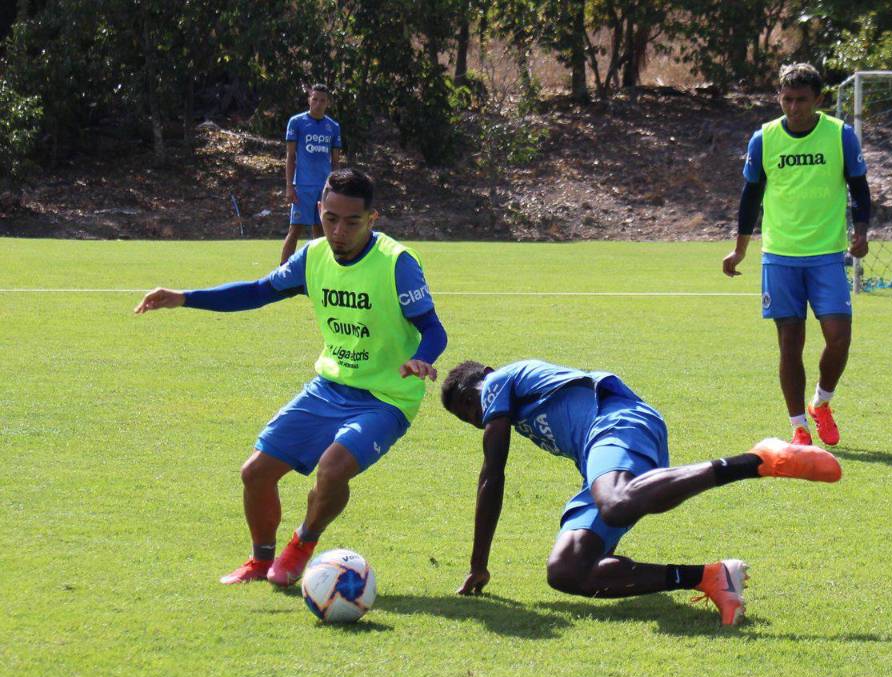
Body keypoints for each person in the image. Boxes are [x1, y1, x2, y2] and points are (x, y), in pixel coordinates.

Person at [135, 169, 447, 586]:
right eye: (330, 218)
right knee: (255, 473)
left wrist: (422, 359)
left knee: (333, 468)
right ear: (319, 210)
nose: (338, 230)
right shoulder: (313, 256)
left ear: (372, 219)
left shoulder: (396, 263)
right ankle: (260, 561)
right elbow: (257, 291)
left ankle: (302, 543)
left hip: (386, 397)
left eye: (352, 222)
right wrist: (186, 298)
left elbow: (433, 328)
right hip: (328, 388)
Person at [441, 359, 842, 626]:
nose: (476, 418)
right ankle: (710, 577)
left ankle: (757, 460)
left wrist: (478, 562)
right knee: (566, 570)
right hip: (598, 461)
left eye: (468, 404)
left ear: (484, 378)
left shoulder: (498, 382)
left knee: (616, 503)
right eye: (466, 419)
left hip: (615, 422)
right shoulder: (511, 400)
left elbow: (492, 474)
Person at [722, 62, 871, 449]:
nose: (793, 108)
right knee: (791, 341)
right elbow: (749, 196)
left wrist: (861, 232)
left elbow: (859, 187)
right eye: (786, 99)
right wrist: (739, 250)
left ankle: (822, 402)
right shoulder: (765, 139)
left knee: (839, 336)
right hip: (780, 255)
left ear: (818, 100)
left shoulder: (840, 136)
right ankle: (799, 427)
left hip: (826, 254)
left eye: (802, 100)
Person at [282, 84, 342, 265]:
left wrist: (337, 187)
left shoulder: (333, 126)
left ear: (327, 103)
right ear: (309, 100)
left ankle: (319, 270)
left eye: (322, 100)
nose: (317, 103)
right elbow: (290, 156)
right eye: (314, 99)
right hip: (303, 186)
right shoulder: (297, 122)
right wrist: (289, 186)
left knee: (321, 231)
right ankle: (281, 272)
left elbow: (335, 161)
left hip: (324, 188)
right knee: (295, 229)